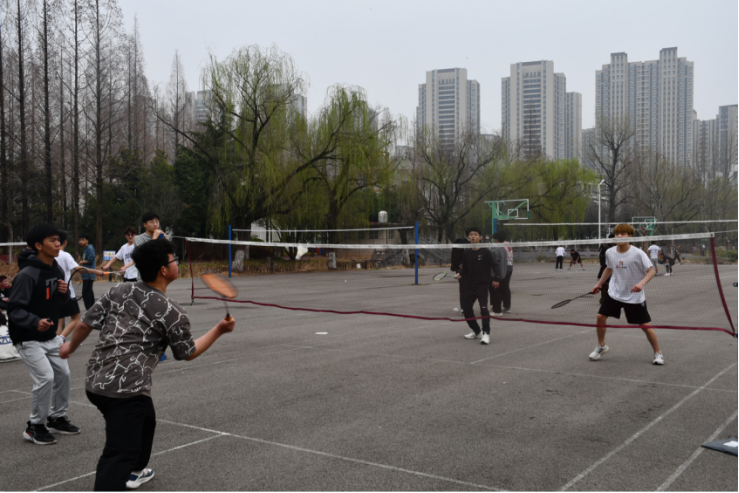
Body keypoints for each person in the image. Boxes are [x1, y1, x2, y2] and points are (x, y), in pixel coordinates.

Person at [60, 239, 235, 492]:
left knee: (146, 418)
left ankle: (136, 471)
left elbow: (85, 323)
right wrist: (219, 329)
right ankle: (125, 470)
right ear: (164, 270)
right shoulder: (172, 311)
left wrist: (70, 347)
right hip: (124, 391)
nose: (177, 263)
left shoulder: (118, 290)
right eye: (174, 260)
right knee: (120, 453)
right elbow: (187, 353)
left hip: (95, 380)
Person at [8, 224, 80, 445]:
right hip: (27, 337)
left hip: (49, 336)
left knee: (63, 374)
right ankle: (34, 426)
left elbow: (56, 302)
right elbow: (14, 309)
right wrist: (34, 321)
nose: (58, 244)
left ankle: (56, 418)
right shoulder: (27, 274)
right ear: (38, 245)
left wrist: (63, 294)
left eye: (58, 240)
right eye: (52, 240)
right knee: (46, 378)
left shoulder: (56, 269)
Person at [590, 223, 664, 365]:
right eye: (617, 234)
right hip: (614, 293)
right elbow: (609, 268)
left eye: (623, 234)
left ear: (630, 236)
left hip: (634, 296)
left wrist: (641, 284)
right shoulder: (610, 252)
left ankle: (658, 353)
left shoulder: (638, 253)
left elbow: (652, 270)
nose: (619, 236)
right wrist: (599, 284)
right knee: (600, 317)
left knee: (645, 325)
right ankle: (601, 346)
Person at [56, 231, 107, 340]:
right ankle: (60, 339)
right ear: (65, 242)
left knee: (60, 319)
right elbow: (78, 269)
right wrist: (96, 271)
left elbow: (89, 261)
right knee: (75, 318)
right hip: (67, 293)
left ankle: (57, 340)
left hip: (55, 292)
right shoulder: (65, 255)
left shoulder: (48, 255)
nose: (80, 241)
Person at [459, 227, 504, 346]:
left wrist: (496, 279)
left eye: (475, 234)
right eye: (471, 234)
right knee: (466, 309)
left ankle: (486, 333)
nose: (473, 236)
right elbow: (465, 269)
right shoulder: (467, 252)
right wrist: (460, 274)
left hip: (482, 285)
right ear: (468, 237)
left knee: (484, 309)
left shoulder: (486, 252)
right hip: (470, 285)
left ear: (480, 237)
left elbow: (495, 265)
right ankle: (476, 331)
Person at [132, 212, 166, 281]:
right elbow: (144, 257)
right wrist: (154, 238)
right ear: (145, 224)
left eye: (157, 221)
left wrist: (166, 241)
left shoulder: (161, 238)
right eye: (151, 222)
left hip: (159, 279)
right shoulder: (139, 238)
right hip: (144, 279)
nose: (155, 224)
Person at [490, 232, 513, 315]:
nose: (493, 240)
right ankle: (504, 307)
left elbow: (495, 263)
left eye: (494, 239)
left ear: (496, 239)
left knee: (496, 292)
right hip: (504, 271)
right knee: (503, 289)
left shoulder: (497, 249)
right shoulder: (504, 248)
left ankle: (497, 309)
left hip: (498, 273)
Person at [78, 234, 97, 309]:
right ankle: (93, 309)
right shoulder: (85, 249)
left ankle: (89, 309)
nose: (81, 241)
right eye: (80, 240)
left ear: (87, 241)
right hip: (86, 274)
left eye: (83, 240)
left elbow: (91, 260)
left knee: (85, 293)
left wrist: (81, 262)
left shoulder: (89, 248)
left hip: (89, 274)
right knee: (89, 292)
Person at [598, 235, 617, 304]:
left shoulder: (617, 247)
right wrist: (601, 264)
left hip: (614, 267)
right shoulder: (607, 248)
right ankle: (603, 300)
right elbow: (602, 256)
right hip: (606, 265)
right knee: (605, 284)